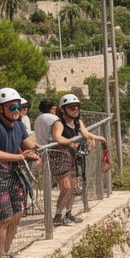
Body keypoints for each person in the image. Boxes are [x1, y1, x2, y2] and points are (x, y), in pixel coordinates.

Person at [0, 88, 40, 258]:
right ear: (0, 108)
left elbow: (27, 143)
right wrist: (21, 157)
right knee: (4, 217)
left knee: (17, 214)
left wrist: (40, 148)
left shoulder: (19, 124)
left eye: (18, 107)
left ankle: (6, 251)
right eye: (12, 107)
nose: (16, 111)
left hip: (12, 175)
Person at [50, 94, 105, 226]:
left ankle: (68, 213)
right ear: (63, 109)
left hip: (73, 158)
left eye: (77, 107)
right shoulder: (59, 123)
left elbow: (85, 133)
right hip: (60, 158)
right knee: (66, 188)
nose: (75, 109)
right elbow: (57, 137)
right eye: (71, 107)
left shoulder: (77, 122)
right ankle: (58, 214)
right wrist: (69, 142)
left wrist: (98, 138)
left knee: (74, 188)